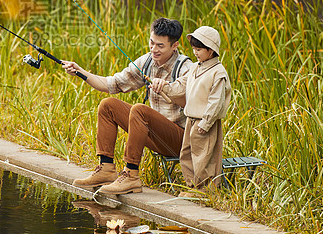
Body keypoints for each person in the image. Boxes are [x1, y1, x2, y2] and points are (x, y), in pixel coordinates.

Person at [62, 18, 192, 195]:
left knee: (140, 110)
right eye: (152, 43)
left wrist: (169, 89)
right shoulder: (147, 62)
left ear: (175, 45)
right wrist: (80, 71)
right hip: (153, 134)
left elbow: (194, 103)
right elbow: (110, 84)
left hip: (179, 140)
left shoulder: (186, 67)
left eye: (160, 46)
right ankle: (106, 169)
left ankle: (131, 176)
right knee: (108, 105)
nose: (154, 49)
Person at [152, 25, 231, 194]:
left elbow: (216, 102)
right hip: (190, 119)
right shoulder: (195, 67)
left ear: (211, 50)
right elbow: (181, 86)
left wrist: (207, 122)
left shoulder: (218, 73)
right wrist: (165, 87)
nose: (195, 53)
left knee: (203, 157)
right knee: (187, 154)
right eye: (194, 49)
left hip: (204, 122)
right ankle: (192, 187)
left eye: (199, 50)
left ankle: (205, 191)